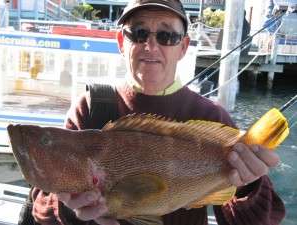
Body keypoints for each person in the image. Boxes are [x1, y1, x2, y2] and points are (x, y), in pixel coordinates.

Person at [29, 0, 285, 225]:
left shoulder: (212, 117)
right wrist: (71, 208)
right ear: (121, 41)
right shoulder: (90, 105)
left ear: (183, 47)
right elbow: (43, 210)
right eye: (139, 33)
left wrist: (248, 186)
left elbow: (260, 219)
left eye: (166, 36)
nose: (150, 45)